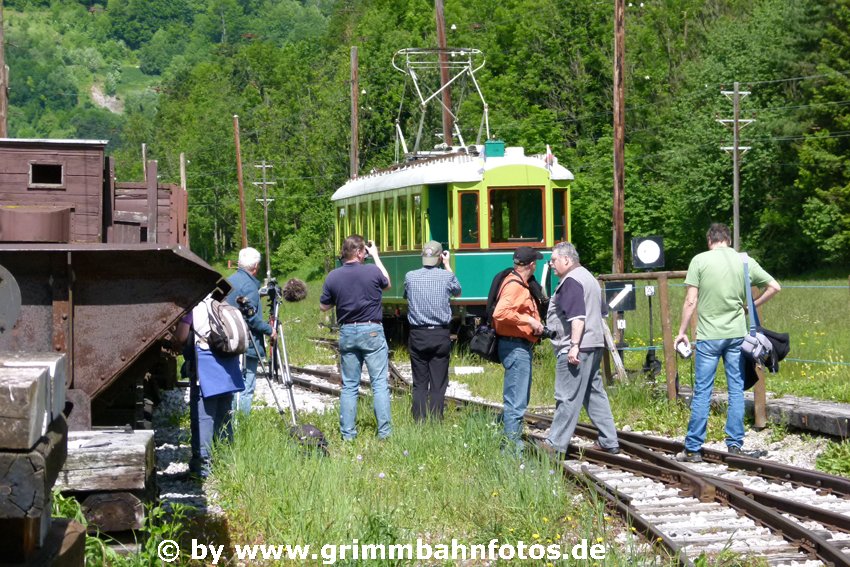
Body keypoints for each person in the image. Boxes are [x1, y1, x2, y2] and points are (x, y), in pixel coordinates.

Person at [674, 223, 781, 462]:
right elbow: (775, 286)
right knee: (736, 389)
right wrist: (750, 305)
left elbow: (691, 302)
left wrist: (681, 331)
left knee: (703, 391)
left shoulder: (699, 261)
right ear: (728, 240)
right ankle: (734, 445)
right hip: (736, 336)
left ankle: (692, 448)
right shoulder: (744, 261)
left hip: (708, 337)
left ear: (709, 240)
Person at [541, 242, 619, 456]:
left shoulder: (571, 281)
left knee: (567, 396)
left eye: (554, 260)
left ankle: (555, 444)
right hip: (594, 343)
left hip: (576, 346)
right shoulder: (589, 278)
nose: (552, 265)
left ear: (566, 260)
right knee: (594, 393)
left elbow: (577, 317)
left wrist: (574, 346)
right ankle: (609, 439)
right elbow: (600, 311)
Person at [320, 235, 392, 440]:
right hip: (371, 330)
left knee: (350, 385)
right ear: (361, 252)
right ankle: (384, 434)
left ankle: (348, 435)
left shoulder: (333, 276)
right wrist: (376, 256)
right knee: (379, 383)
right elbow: (387, 284)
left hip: (348, 332)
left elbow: (324, 306)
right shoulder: (372, 271)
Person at [179, 296, 245, 479]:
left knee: (204, 418)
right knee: (224, 416)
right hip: (228, 368)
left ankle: (203, 467)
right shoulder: (223, 304)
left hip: (206, 369)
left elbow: (182, 336)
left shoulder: (194, 308)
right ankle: (224, 460)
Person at [492, 246, 545, 452]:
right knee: (516, 400)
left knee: (518, 398)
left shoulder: (518, 282)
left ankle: (501, 434)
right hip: (515, 346)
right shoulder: (515, 285)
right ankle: (511, 449)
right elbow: (500, 312)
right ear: (532, 265)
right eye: (536, 263)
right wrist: (529, 320)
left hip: (518, 345)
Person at [403, 240, 462, 421]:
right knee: (438, 382)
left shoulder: (410, 276)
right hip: (440, 334)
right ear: (439, 257)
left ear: (423, 256)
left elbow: (406, 296)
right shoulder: (446, 277)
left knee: (419, 383)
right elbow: (458, 291)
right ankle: (436, 419)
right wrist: (447, 265)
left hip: (418, 334)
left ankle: (419, 420)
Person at [226, 247, 276, 416]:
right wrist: (270, 330)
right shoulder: (250, 287)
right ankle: (241, 424)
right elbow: (251, 319)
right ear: (255, 266)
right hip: (247, 344)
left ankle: (230, 424)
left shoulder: (230, 280)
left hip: (229, 341)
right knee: (246, 387)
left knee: (233, 386)